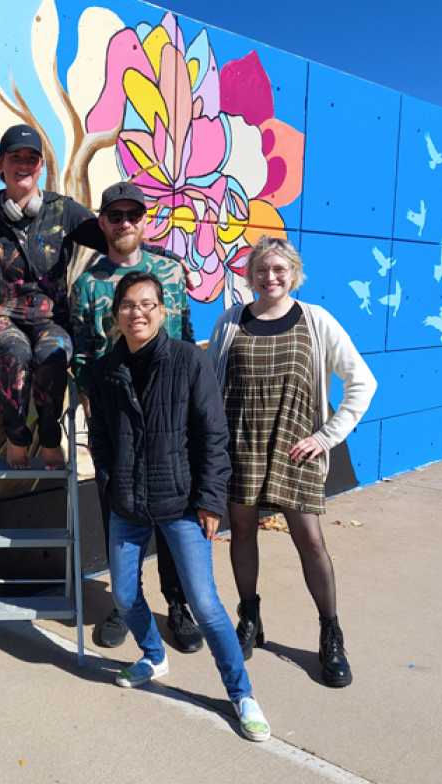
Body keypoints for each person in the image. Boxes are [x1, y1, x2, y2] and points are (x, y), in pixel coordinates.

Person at [89, 270, 270, 742]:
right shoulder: (106, 370)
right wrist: (109, 480)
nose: (137, 313)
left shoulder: (190, 360)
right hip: (128, 503)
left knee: (205, 604)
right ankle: (153, 656)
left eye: (147, 304)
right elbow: (100, 436)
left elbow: (214, 435)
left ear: (163, 310)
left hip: (183, 502)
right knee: (124, 596)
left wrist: (210, 500)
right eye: (128, 305)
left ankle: (241, 694)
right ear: (117, 314)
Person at [206, 236, 377, 688]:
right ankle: (250, 617)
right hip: (240, 448)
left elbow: (362, 382)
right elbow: (210, 386)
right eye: (262, 270)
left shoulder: (316, 320)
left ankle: (330, 632)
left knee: (311, 541)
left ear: (295, 274)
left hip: (294, 450)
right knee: (242, 532)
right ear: (250, 276)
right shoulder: (230, 321)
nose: (271, 277)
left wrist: (326, 437)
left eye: (280, 269)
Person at [70, 181, 203, 653]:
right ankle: (124, 601)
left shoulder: (170, 272)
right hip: (115, 416)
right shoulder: (87, 284)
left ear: (144, 220)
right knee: (118, 510)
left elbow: (186, 336)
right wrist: (91, 405)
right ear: (102, 222)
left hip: (169, 411)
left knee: (174, 509)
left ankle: (178, 602)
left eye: (133, 214)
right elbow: (82, 353)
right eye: (115, 215)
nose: (125, 222)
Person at [0, 124, 103, 470]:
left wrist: (162, 259)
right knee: (15, 354)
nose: (24, 165)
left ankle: (49, 438)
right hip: (3, 320)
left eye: (32, 158)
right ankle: (17, 440)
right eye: (15, 157)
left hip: (53, 321)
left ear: (41, 166)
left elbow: (115, 239)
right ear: (1, 164)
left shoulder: (63, 211)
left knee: (51, 355)